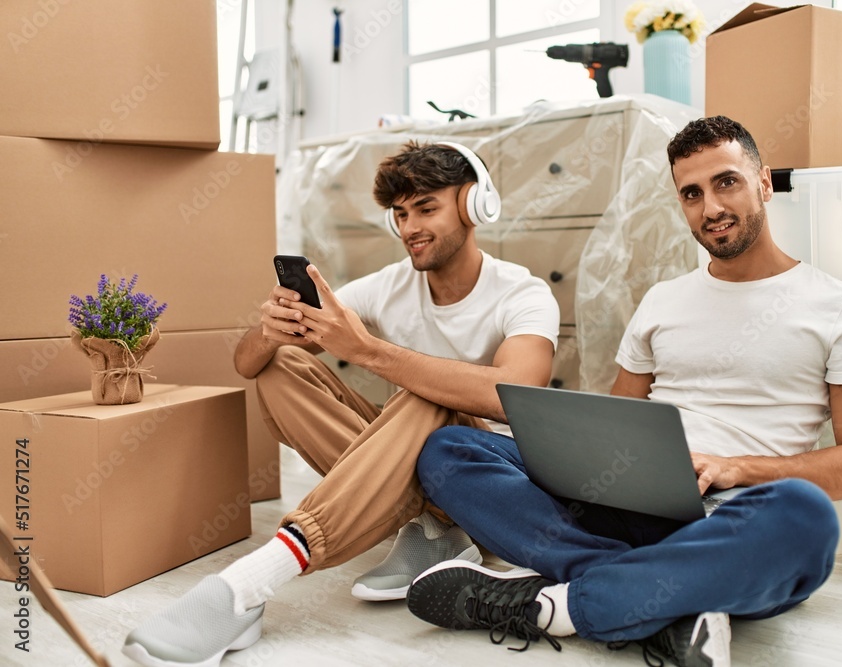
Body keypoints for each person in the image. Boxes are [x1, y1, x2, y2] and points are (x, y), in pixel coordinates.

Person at [405, 116, 842, 667]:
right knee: (450, 449)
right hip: (632, 501)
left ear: (763, 182)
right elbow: (616, 419)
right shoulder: (663, 300)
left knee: (805, 518)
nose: (710, 208)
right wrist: (571, 445)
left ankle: (554, 604)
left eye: (726, 182)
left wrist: (737, 468)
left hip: (736, 517)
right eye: (692, 193)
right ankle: (667, 595)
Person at [123, 141, 560, 667]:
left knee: (426, 396)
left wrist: (369, 351)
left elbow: (514, 397)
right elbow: (247, 364)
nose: (410, 227)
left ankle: (249, 584)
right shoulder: (388, 285)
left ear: (474, 205)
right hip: (409, 466)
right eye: (400, 214)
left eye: (426, 208)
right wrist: (270, 331)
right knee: (281, 366)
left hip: (483, 477)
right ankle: (427, 526)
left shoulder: (523, 293)